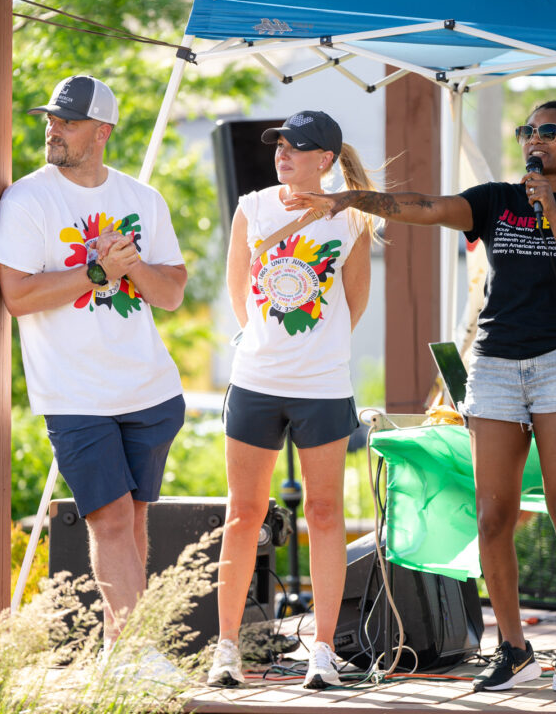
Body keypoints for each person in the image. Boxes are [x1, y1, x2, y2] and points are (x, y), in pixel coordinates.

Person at [285, 101, 556, 697]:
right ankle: (514, 648)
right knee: (494, 516)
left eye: (548, 131)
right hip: (494, 366)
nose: (534, 139)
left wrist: (552, 215)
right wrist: (351, 199)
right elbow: (423, 206)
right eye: (527, 130)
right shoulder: (495, 199)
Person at [0, 75, 187, 676]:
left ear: (102, 132)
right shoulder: (27, 201)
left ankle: (117, 651)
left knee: (134, 516)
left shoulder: (144, 198)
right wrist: (100, 272)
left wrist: (133, 269)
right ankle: (136, 653)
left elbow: (174, 291)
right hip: (75, 392)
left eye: (68, 121)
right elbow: (20, 295)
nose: (53, 128)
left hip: (150, 388)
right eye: (50, 118)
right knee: (107, 516)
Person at [207, 111, 377, 689]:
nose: (282, 153)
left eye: (296, 147)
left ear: (326, 158)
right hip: (255, 379)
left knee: (325, 514)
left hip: (323, 386)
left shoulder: (352, 215)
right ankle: (226, 648)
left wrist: (314, 352)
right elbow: (237, 291)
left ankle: (323, 652)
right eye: (279, 144)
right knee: (243, 514)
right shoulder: (252, 206)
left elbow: (355, 306)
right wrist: (268, 345)